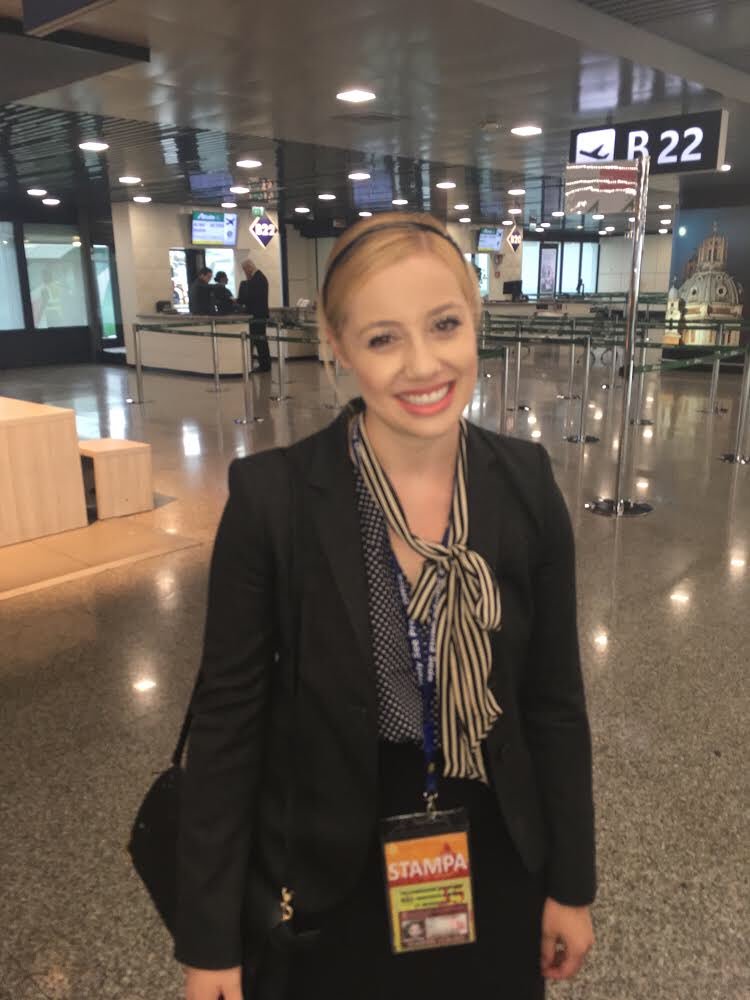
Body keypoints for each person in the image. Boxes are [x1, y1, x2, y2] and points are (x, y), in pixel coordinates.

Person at [176, 212, 596, 1000]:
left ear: (476, 320)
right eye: (382, 338)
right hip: (332, 866)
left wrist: (572, 885)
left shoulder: (524, 484)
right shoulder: (274, 501)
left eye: (445, 325)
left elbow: (553, 702)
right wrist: (211, 943)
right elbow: (228, 726)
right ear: (336, 345)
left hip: (496, 845)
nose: (423, 364)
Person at [237, 257, 271, 373]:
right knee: (259, 340)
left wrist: (238, 301)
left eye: (244, 270)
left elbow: (251, 298)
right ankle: (264, 364)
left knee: (260, 340)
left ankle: (265, 365)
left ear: (249, 268)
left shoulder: (257, 279)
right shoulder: (259, 278)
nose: (245, 273)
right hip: (259, 314)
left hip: (257, 315)